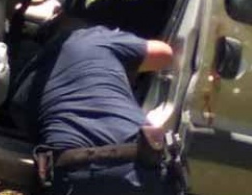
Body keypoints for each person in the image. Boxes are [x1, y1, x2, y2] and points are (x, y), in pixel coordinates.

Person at [9, 25, 176, 195]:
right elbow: (165, 54)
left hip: (72, 171)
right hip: (140, 162)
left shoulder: (23, 91)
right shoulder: (91, 39)